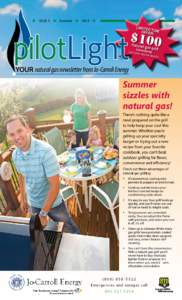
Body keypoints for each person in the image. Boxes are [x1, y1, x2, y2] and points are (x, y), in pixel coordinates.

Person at [5, 115, 80, 233]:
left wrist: (44, 212)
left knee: (69, 228)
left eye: (19, 130)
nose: (17, 137)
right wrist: (24, 199)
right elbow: (21, 175)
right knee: (40, 233)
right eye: (12, 134)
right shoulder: (15, 155)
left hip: (53, 202)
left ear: (27, 129)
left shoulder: (46, 152)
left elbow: (55, 186)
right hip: (34, 203)